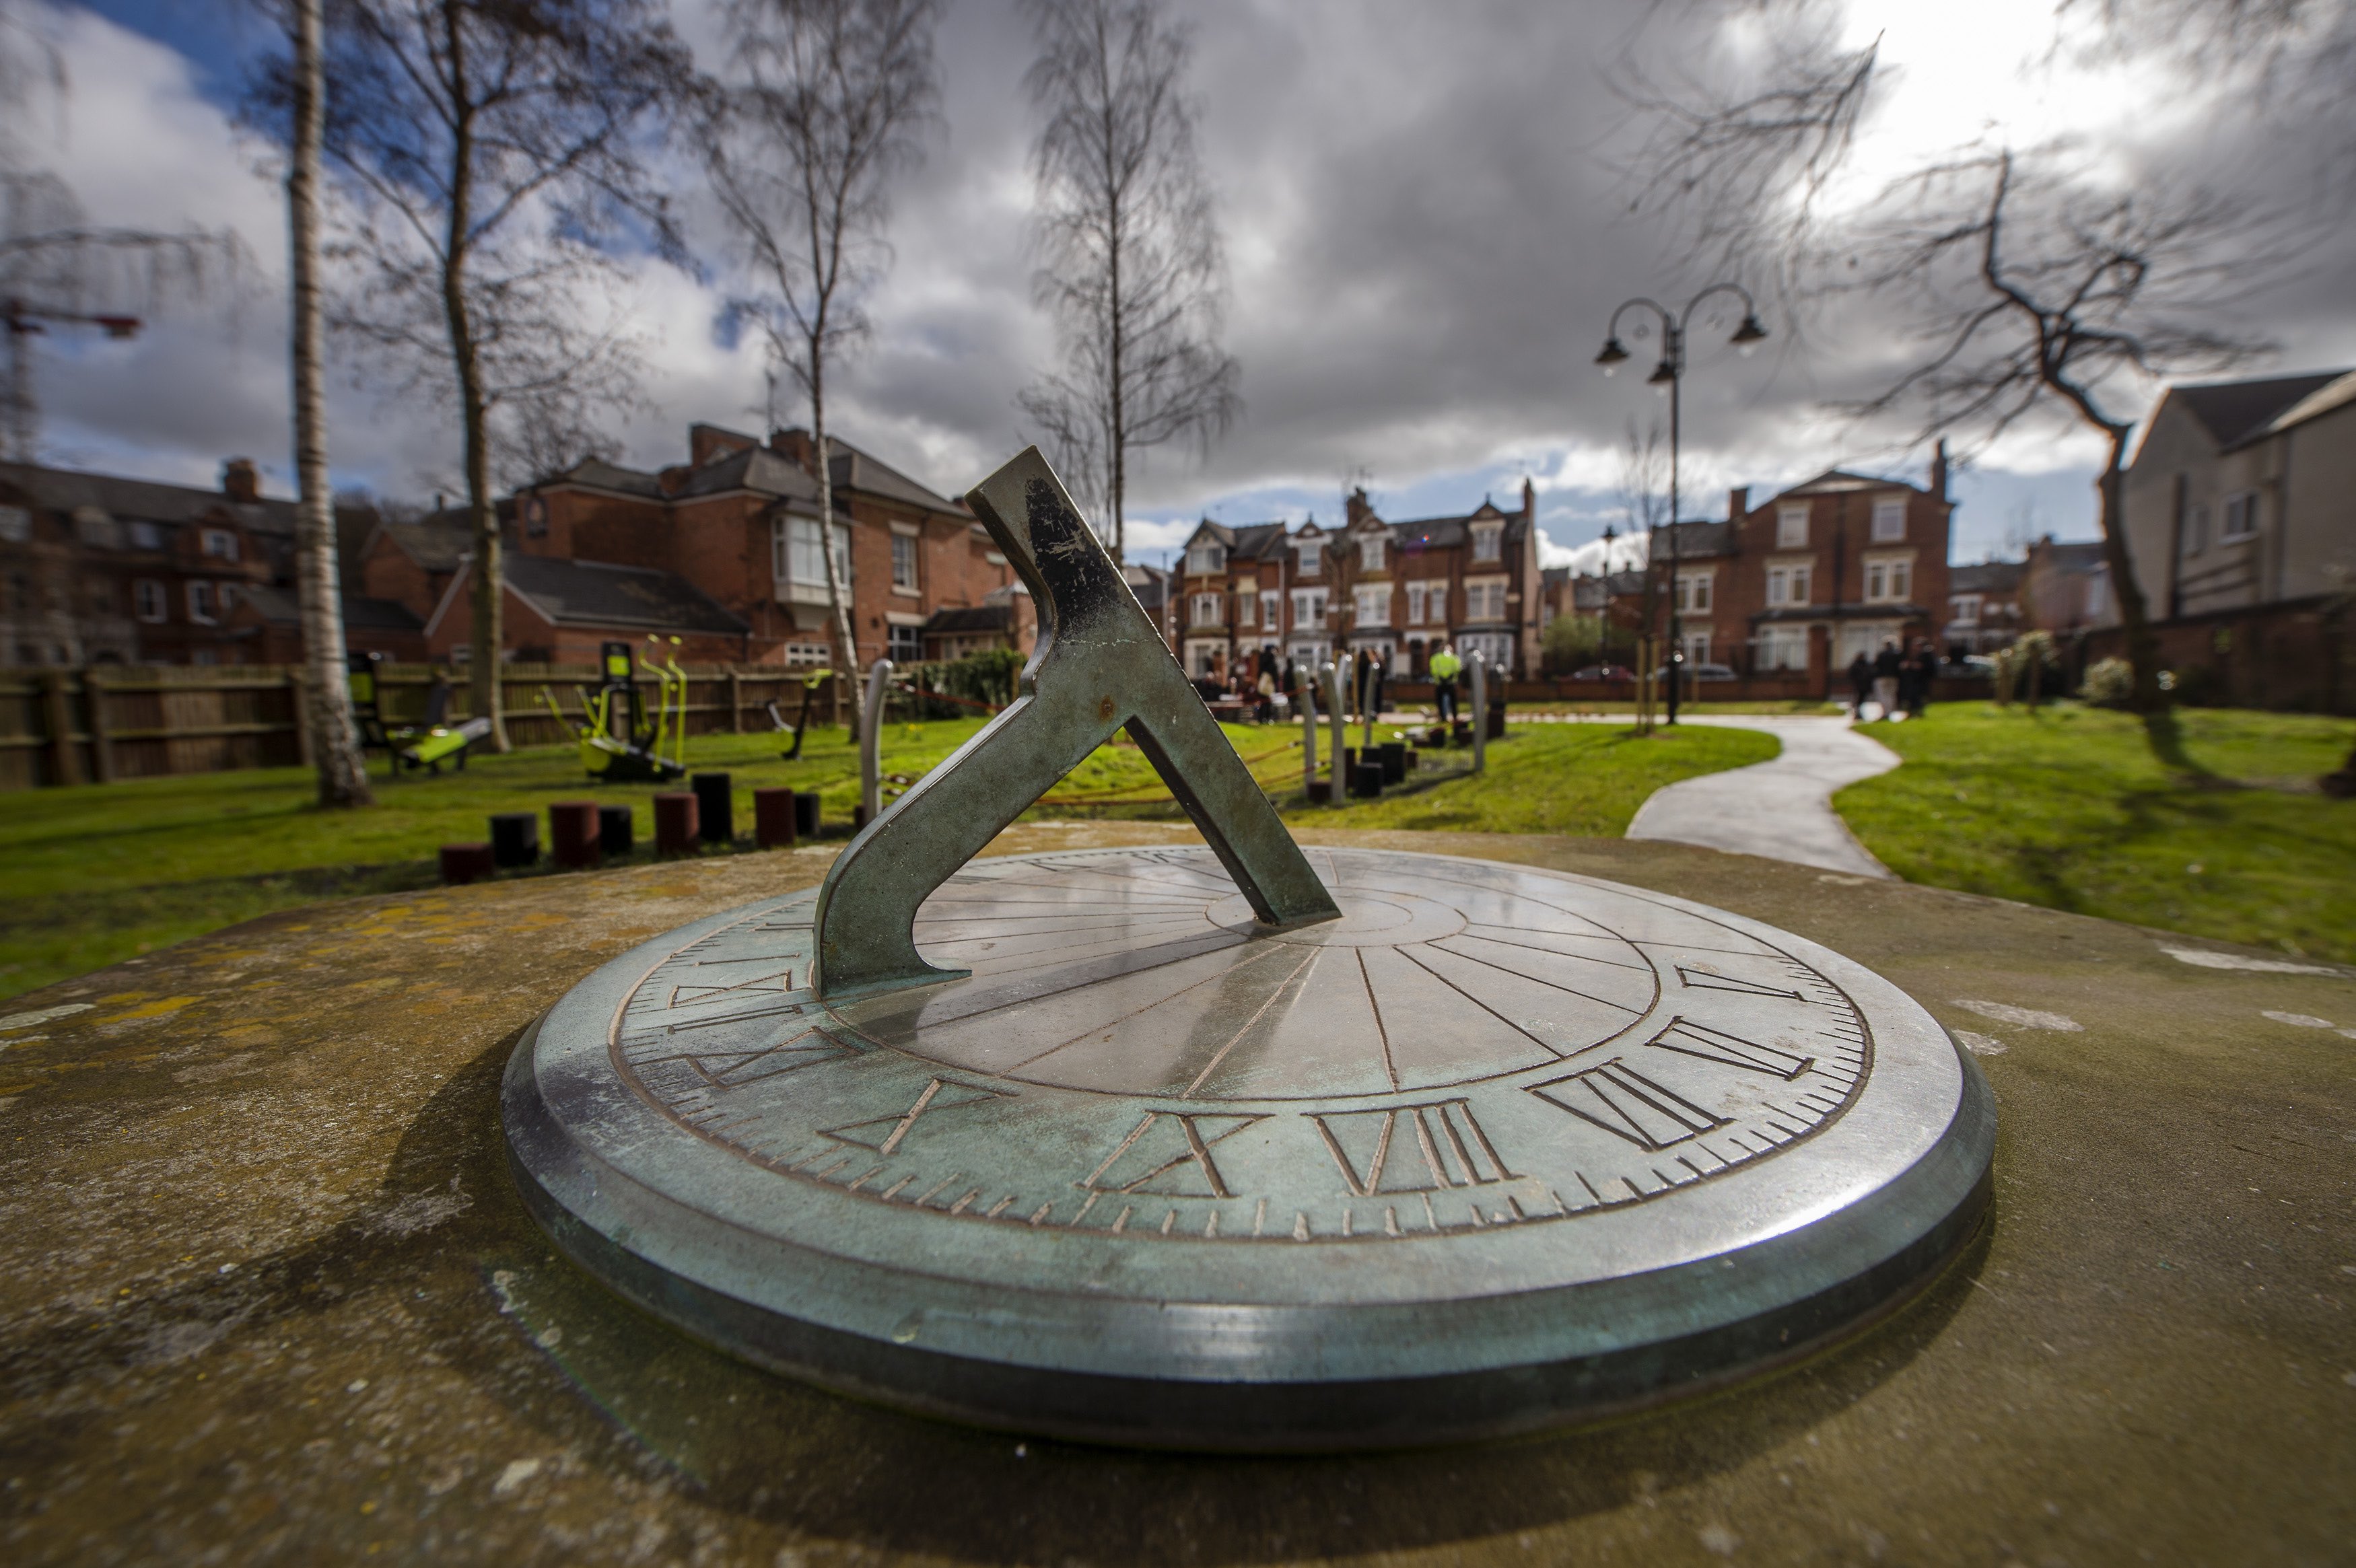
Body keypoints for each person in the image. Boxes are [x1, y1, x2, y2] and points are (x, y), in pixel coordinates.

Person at [1898, 638, 1934, 719]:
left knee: (1918, 697)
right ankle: (1912, 712)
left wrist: (1911, 665)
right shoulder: (1916, 655)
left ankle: (1918, 712)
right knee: (1912, 697)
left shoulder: (1926, 654)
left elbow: (1923, 666)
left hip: (1920, 680)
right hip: (1913, 680)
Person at [1430, 643, 1461, 723]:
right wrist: (1450, 677)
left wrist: (1441, 678)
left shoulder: (1435, 657)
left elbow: (1433, 669)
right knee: (1453, 702)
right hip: (1451, 683)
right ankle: (1455, 717)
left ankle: (1443, 718)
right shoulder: (1454, 657)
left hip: (1440, 683)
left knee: (1440, 702)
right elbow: (1458, 669)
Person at [1872, 641, 1902, 720]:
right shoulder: (1898, 654)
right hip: (1894, 677)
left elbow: (1876, 665)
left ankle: (1886, 712)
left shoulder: (1882, 654)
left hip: (1882, 677)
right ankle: (1889, 712)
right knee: (1891, 695)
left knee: (1883, 695)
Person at [1847, 651, 1874, 718]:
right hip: (1859, 685)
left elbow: (1871, 674)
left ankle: (1858, 712)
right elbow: (1851, 675)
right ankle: (1857, 712)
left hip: (1864, 686)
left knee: (1861, 700)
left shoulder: (1866, 665)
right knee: (1858, 700)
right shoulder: (1856, 665)